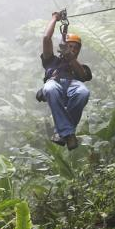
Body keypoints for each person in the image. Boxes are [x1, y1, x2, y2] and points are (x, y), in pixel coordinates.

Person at [39, 12, 91, 150]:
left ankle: (62, 134)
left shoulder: (80, 67)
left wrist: (70, 57)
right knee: (50, 88)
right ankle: (69, 134)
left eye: (76, 48)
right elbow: (46, 38)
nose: (73, 49)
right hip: (55, 83)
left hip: (73, 86)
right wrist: (55, 18)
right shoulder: (52, 61)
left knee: (83, 92)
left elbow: (83, 75)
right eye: (70, 46)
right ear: (64, 46)